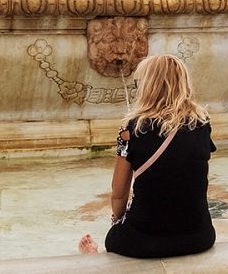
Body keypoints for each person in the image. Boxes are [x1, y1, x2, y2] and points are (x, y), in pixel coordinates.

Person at [79, 55, 216, 259]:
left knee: (113, 237)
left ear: (148, 86)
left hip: (144, 242)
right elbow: (193, 178)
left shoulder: (131, 129)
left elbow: (118, 193)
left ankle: (92, 258)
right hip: (199, 237)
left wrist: (117, 223)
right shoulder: (202, 123)